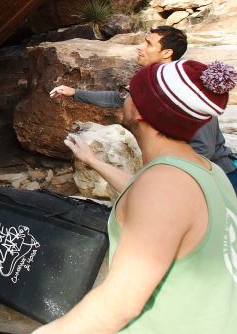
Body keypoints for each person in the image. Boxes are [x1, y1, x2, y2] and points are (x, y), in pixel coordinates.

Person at [34, 59, 237, 333]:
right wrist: (93, 160)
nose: (123, 98)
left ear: (141, 111)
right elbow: (149, 194)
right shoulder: (207, 170)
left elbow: (121, 303)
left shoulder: (162, 189)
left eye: (127, 93)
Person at [50, 26, 237, 193]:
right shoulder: (156, 82)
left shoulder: (183, 91)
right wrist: (75, 92)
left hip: (217, 181)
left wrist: (167, 179)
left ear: (166, 53)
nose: (140, 47)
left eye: (148, 43)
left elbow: (204, 147)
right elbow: (119, 98)